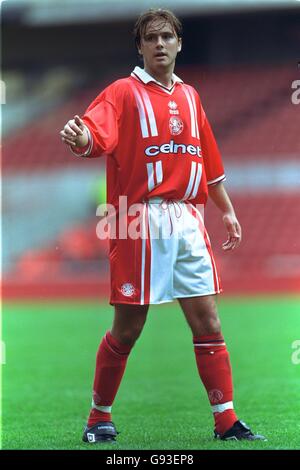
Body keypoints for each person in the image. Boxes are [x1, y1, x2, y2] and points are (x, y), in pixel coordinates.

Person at [60, 8, 266, 444]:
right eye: (151, 37)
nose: (159, 44)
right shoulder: (123, 92)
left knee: (208, 320)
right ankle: (99, 418)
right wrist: (81, 140)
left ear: (179, 43)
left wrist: (225, 208)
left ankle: (226, 421)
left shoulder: (191, 96)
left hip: (189, 218)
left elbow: (207, 158)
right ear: (140, 46)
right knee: (129, 328)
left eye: (167, 36)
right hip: (140, 220)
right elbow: (94, 133)